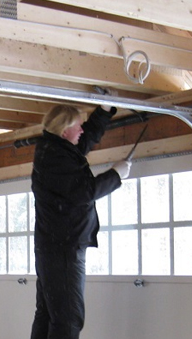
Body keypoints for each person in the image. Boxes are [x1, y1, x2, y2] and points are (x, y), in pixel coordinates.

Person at [30, 104, 132, 339]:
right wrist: (116, 175)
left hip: (53, 248)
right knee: (67, 319)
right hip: (63, 250)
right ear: (65, 130)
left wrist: (104, 111)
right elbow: (83, 192)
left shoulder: (54, 149)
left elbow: (85, 140)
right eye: (78, 125)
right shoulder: (55, 158)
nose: (82, 130)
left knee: (48, 314)